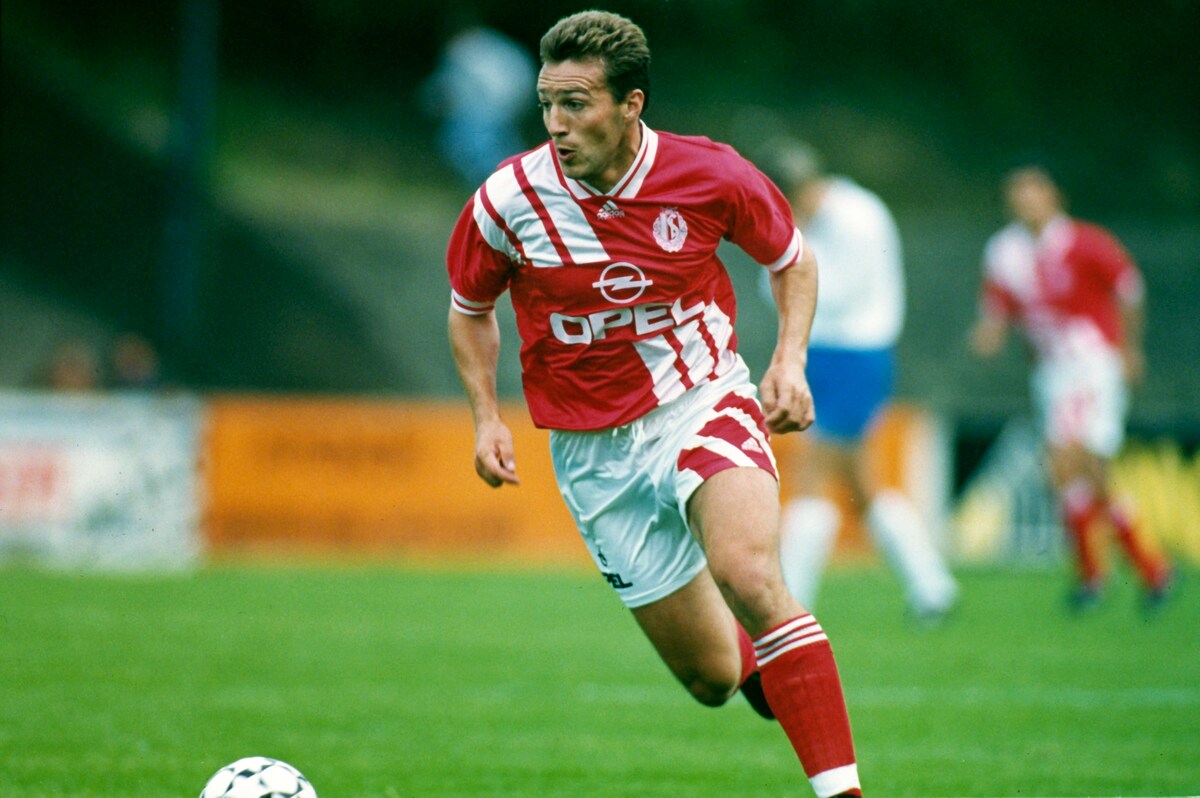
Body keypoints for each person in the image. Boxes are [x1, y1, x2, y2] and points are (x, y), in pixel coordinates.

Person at [446, 11, 861, 797]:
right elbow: (469, 311)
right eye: (547, 103)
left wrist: (790, 359)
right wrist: (486, 416)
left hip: (699, 398)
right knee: (711, 678)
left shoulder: (711, 174)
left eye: (575, 103)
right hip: (592, 454)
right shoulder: (507, 200)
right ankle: (762, 660)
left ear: (630, 104)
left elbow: (792, 260)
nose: (555, 123)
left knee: (748, 575)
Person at [756, 141, 959, 621]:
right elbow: (776, 291)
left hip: (854, 353)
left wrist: (789, 269)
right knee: (861, 482)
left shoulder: (858, 217)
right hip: (821, 353)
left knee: (812, 471)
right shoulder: (814, 221)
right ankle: (932, 587)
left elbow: (830, 291)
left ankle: (791, 603)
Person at [969, 165, 1172, 611]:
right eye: (1018, 194)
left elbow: (1130, 291)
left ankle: (1097, 577)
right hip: (1051, 372)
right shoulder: (1004, 250)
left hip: (1090, 363)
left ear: (1054, 196)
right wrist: (991, 333)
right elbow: (1000, 306)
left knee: (1068, 463)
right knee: (1084, 475)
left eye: (1033, 192)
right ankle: (1144, 572)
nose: (1025, 202)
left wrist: (1130, 349)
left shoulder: (1086, 242)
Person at [421, 13, 536, 188]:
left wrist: (432, 101)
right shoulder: (494, 45)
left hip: (491, 107)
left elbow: (452, 86)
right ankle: (517, 181)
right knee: (501, 145)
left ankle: (495, 183)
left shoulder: (465, 49)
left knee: (461, 144)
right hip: (510, 102)